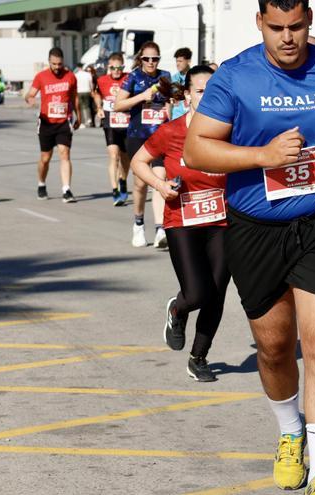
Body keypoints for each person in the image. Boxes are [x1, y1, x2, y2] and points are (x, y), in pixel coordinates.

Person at [183, 0, 315, 493]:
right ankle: (291, 430)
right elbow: (196, 148)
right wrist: (263, 156)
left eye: (296, 26)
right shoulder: (235, 76)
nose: (288, 37)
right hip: (256, 227)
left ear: (310, 21)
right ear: (260, 24)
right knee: (274, 349)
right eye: (277, 28)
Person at [131, 65, 230, 382]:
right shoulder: (171, 132)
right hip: (182, 219)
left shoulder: (232, 129)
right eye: (201, 90)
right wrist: (159, 187)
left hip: (223, 220)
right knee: (198, 293)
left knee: (217, 293)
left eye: (213, 90)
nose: (207, 95)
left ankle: (199, 358)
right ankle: (178, 309)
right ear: (187, 95)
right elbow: (138, 162)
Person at [114, 41, 172, 248]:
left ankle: (160, 229)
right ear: (141, 59)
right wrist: (141, 97)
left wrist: (169, 113)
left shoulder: (165, 76)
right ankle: (138, 224)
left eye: (154, 59)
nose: (151, 62)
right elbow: (118, 105)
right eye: (147, 58)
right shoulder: (133, 77)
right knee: (140, 184)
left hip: (160, 136)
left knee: (160, 179)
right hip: (138, 136)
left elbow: (168, 102)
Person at [25, 47, 82, 203]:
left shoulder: (70, 76)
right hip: (46, 123)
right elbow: (29, 94)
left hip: (64, 121)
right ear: (49, 62)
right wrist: (31, 100)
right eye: (54, 64)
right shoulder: (41, 77)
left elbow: (75, 98)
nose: (57, 67)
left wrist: (79, 117)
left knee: (64, 153)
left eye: (60, 64)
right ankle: (41, 184)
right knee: (45, 158)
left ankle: (66, 190)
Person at [93, 52, 132, 207]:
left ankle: (123, 180)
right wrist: (98, 107)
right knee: (113, 156)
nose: (116, 71)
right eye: (113, 68)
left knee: (125, 158)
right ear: (108, 67)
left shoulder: (129, 78)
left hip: (126, 123)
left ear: (123, 66)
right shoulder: (102, 80)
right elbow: (96, 93)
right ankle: (115, 190)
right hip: (110, 123)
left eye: (119, 67)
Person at [170, 47, 192, 120]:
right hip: (176, 117)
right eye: (177, 61)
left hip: (191, 117)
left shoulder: (195, 76)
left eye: (180, 61)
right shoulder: (174, 79)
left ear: (188, 61)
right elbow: (170, 100)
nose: (177, 64)